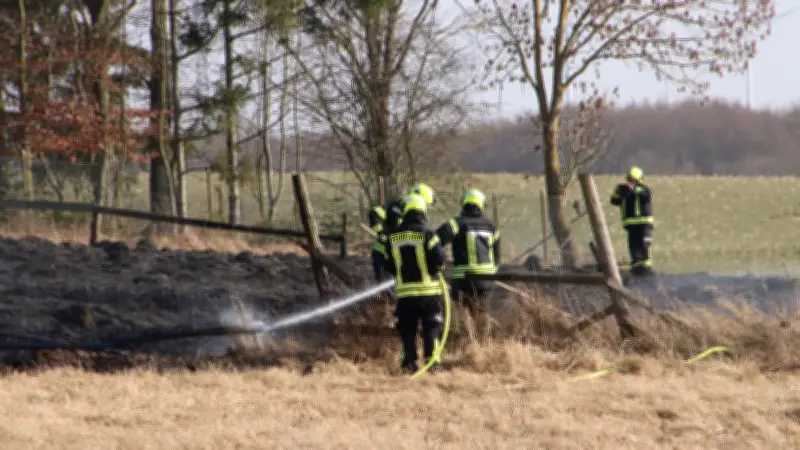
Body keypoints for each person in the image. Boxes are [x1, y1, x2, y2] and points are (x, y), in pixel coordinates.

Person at [383, 194, 446, 374]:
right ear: (422, 212)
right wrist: (435, 270)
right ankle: (432, 363)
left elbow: (389, 265)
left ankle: (408, 364)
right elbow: (440, 261)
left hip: (404, 294)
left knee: (407, 330)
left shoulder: (392, 236)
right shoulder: (428, 234)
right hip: (429, 293)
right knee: (431, 327)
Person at [436, 189, 500, 319]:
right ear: (481, 205)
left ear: (464, 204)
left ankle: (463, 334)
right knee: (481, 312)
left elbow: (434, 242)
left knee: (461, 311)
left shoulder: (456, 223)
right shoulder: (491, 226)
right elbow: (497, 256)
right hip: (485, 280)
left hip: (463, 279)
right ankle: (481, 336)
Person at [369, 182, 437, 283]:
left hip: (399, 255)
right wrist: (382, 233)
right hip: (384, 253)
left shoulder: (414, 216)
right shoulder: (397, 206)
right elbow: (375, 213)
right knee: (386, 289)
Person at [610, 166, 655, 277]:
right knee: (633, 246)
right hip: (631, 224)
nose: (631, 182)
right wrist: (618, 191)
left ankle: (646, 267)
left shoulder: (645, 190)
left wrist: (633, 189)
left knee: (644, 244)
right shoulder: (624, 191)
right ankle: (636, 267)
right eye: (629, 180)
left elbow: (646, 195)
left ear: (639, 180)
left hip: (644, 223)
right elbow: (614, 200)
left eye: (633, 180)